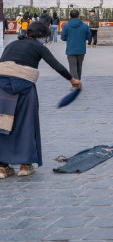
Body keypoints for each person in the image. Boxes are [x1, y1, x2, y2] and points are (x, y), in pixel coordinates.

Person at [0, 21, 82, 178]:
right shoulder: (39, 47)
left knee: (3, 122)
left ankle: (2, 167)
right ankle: (25, 165)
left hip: (1, 86)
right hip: (23, 86)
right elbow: (55, 65)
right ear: (41, 36)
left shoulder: (12, 45)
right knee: (26, 123)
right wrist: (72, 80)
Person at [60, 10, 92, 84]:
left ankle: (76, 83)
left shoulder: (66, 26)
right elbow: (89, 36)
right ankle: (78, 80)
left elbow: (63, 38)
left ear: (70, 16)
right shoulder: (85, 26)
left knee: (72, 67)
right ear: (79, 16)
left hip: (70, 49)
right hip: (81, 49)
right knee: (79, 66)